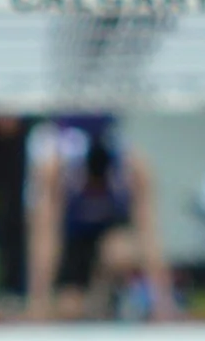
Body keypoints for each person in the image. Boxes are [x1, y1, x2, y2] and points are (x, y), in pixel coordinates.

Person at [25, 114, 175, 320]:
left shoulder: (132, 169)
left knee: (119, 251)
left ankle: (108, 300)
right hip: (76, 244)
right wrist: (38, 301)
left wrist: (163, 302)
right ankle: (87, 304)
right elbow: (46, 237)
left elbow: (149, 233)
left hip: (107, 247)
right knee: (69, 309)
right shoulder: (57, 172)